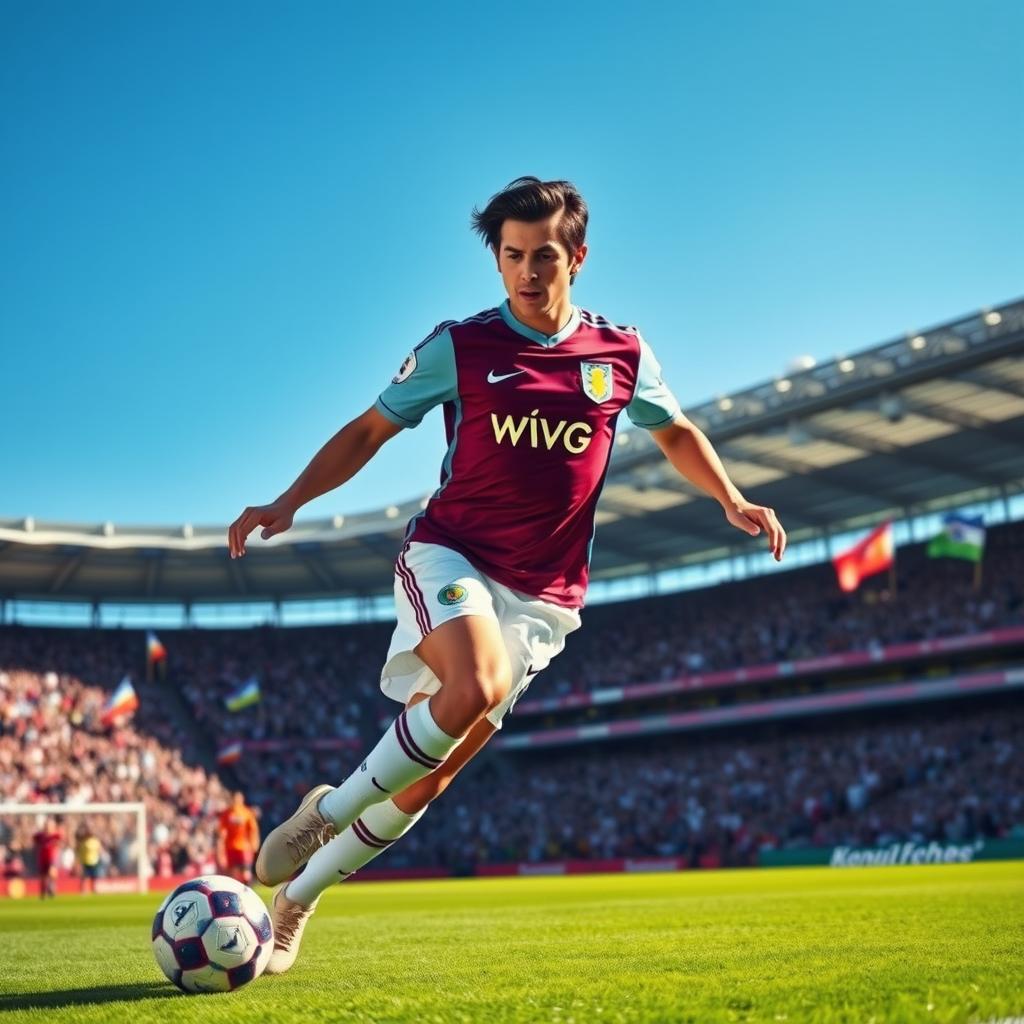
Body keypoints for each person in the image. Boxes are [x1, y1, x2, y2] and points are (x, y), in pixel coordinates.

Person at [228, 176, 787, 973]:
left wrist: (731, 497)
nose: (528, 272)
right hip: (451, 555)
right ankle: (327, 814)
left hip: (545, 595)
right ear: (497, 261)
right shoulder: (460, 346)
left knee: (427, 783)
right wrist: (288, 503)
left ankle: (297, 900)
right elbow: (367, 430)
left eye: (545, 257)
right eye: (513, 256)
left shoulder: (621, 355)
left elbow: (676, 431)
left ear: (578, 258)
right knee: (475, 684)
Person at [216, 791, 260, 884]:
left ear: (242, 799)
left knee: (245, 871)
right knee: (233, 873)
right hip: (230, 847)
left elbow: (253, 830)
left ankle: (247, 889)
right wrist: (221, 846)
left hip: (244, 847)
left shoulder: (247, 813)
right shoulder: (226, 813)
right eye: (235, 798)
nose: (237, 801)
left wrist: (254, 843)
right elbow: (222, 831)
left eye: (238, 798)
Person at [32, 817, 63, 899]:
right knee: (43, 877)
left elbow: (60, 844)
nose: (47, 827)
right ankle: (43, 893)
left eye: (49, 825)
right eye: (46, 825)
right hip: (42, 858)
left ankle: (51, 888)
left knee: (52, 873)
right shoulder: (39, 836)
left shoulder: (56, 835)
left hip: (52, 858)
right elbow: (34, 842)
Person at [74, 822, 102, 895]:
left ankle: (94, 892)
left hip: (94, 862)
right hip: (85, 862)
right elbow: (78, 851)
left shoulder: (96, 840)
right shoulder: (83, 841)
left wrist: (99, 857)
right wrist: (78, 862)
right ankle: (83, 892)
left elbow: (99, 851)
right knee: (84, 879)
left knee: (94, 879)